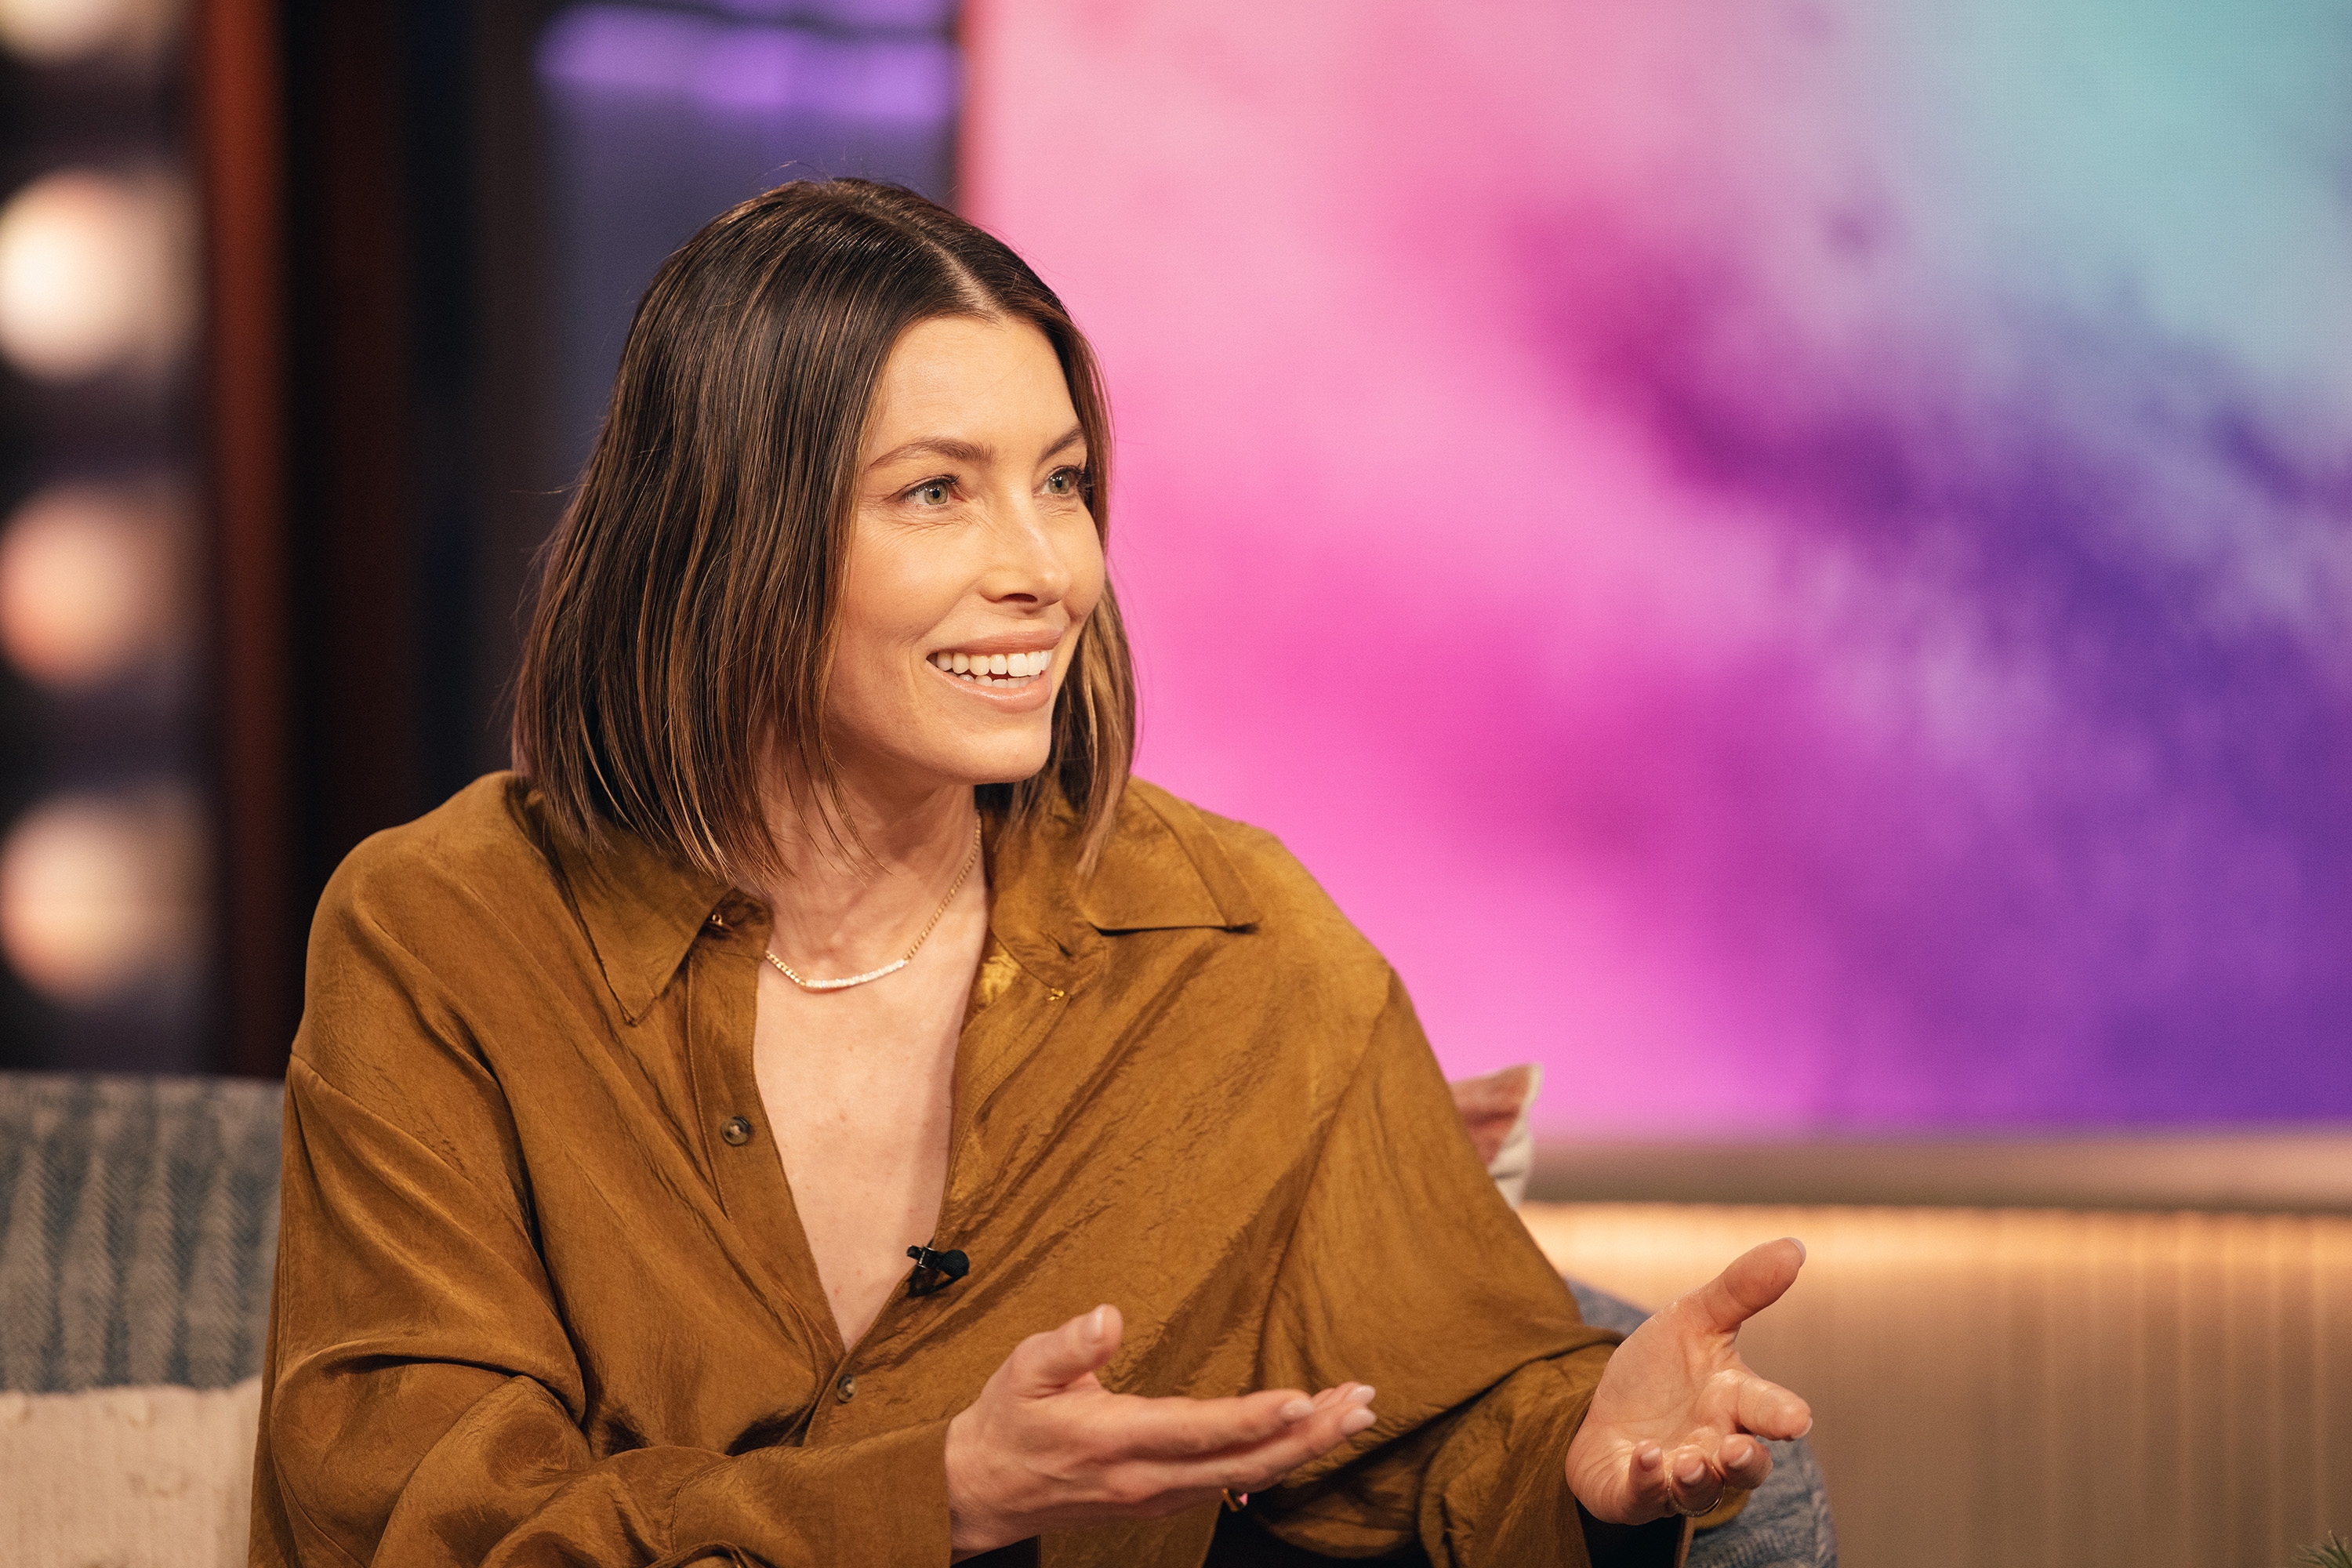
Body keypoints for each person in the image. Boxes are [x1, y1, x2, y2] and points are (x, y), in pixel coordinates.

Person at [249, 179, 1812, 1568]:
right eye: (938, 489)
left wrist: (1586, 1455)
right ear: (726, 535)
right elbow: (415, 1527)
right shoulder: (444, 934)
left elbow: (1419, 1434)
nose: (1050, 569)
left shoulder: (1236, 944)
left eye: (1061, 481)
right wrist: (926, 1501)